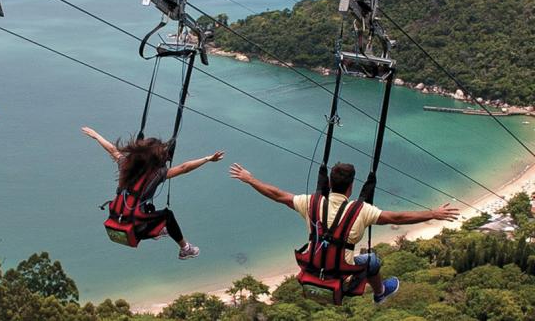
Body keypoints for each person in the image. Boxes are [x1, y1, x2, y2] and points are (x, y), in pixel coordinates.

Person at [229, 161, 459, 304]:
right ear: (350, 187)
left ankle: (378, 291)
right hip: (342, 274)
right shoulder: (361, 211)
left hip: (312, 266)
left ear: (329, 184)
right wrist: (432, 214)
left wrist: (250, 179)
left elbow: (277, 195)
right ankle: (380, 293)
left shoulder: (311, 203)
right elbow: (397, 218)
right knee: (372, 260)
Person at [82, 126, 224, 259]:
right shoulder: (156, 174)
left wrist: (96, 136)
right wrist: (208, 159)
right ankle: (185, 249)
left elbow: (112, 149)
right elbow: (184, 168)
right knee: (168, 216)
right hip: (137, 229)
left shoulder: (125, 164)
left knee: (145, 209)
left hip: (117, 220)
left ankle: (158, 230)